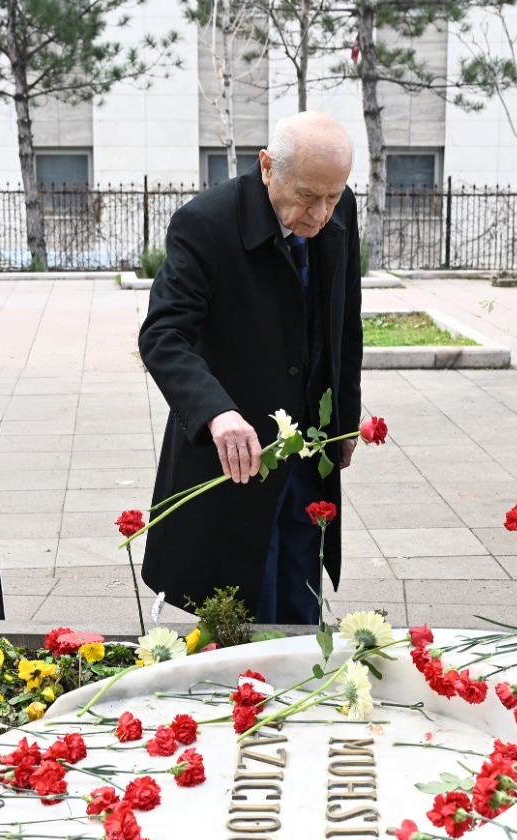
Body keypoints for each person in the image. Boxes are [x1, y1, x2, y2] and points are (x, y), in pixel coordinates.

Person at [137, 111, 363, 624]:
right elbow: (162, 334)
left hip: (307, 446)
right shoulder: (206, 223)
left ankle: (304, 691)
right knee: (242, 603)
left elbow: (345, 325)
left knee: (302, 598)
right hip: (238, 452)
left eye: (333, 196)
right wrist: (217, 412)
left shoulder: (336, 203)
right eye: (308, 195)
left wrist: (344, 420)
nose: (322, 214)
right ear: (266, 166)